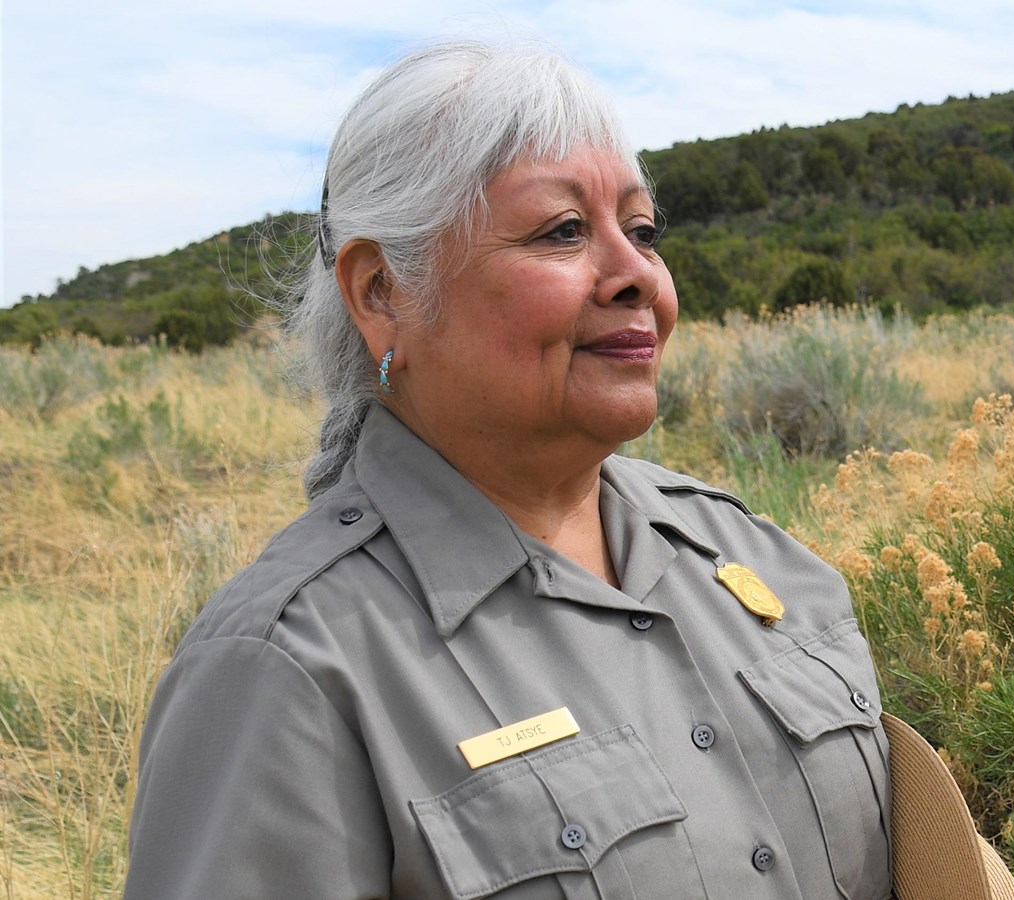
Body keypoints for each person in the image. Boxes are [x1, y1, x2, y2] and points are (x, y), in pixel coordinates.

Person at [124, 40, 893, 899]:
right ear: (382, 291)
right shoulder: (287, 670)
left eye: (642, 231)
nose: (636, 274)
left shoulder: (753, 555)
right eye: (564, 231)